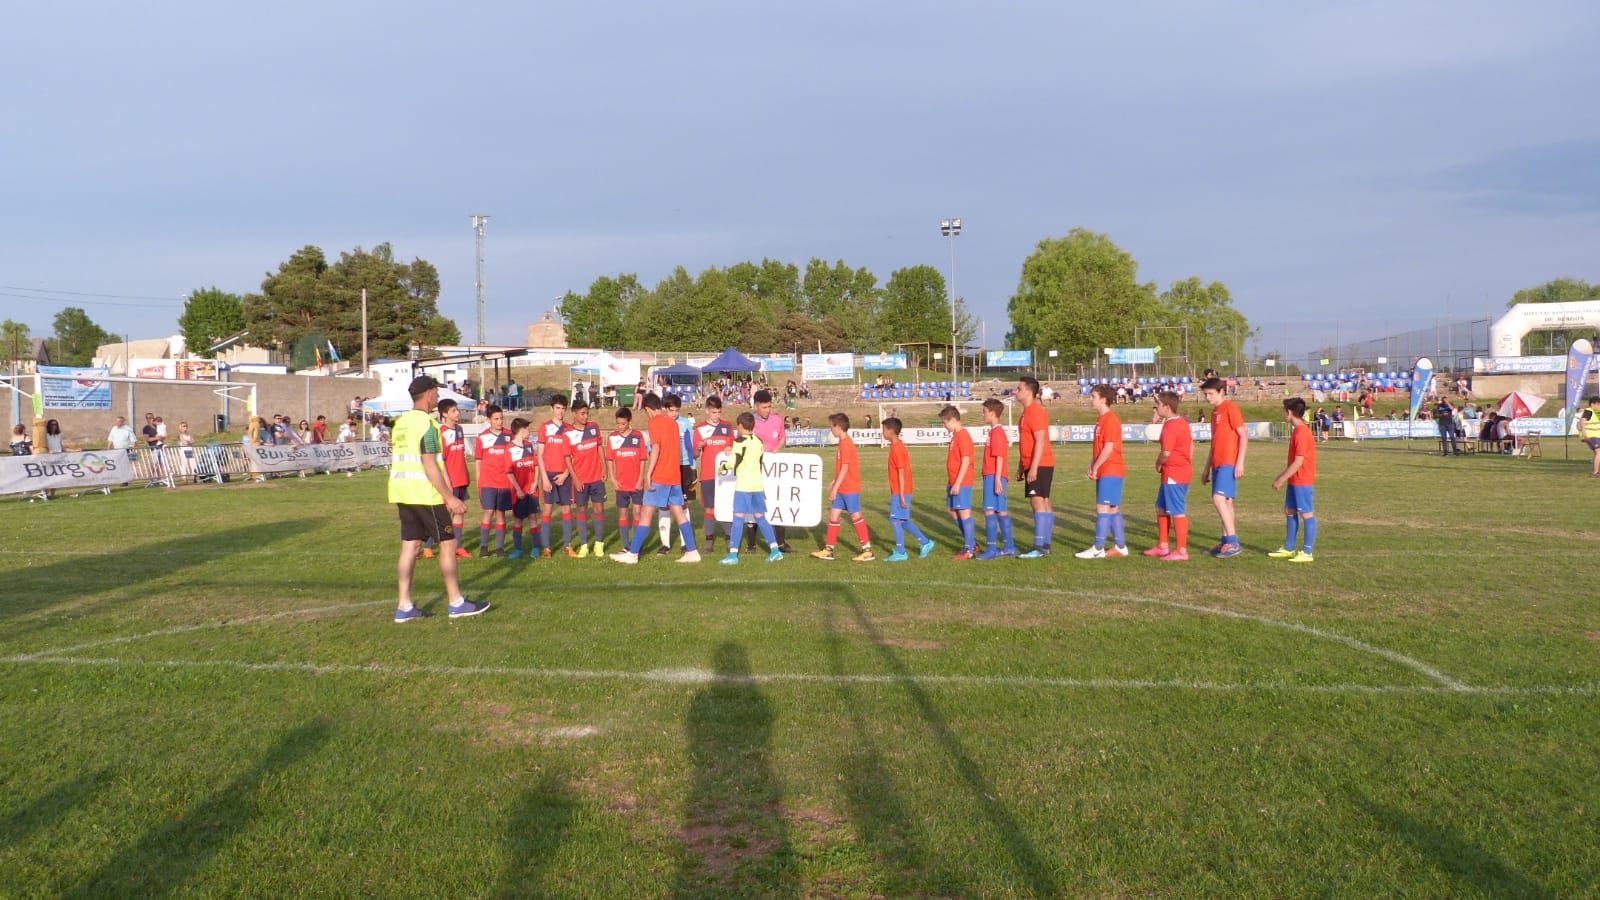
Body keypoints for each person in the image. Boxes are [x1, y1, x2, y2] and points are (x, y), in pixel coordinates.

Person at [389, 376, 487, 621]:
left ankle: (404, 605)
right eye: (435, 391)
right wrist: (450, 497)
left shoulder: (401, 423)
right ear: (429, 393)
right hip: (426, 494)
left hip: (402, 492)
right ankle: (456, 602)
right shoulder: (427, 425)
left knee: (410, 546)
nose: (437, 396)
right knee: (448, 543)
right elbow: (429, 463)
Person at [610, 393, 701, 564]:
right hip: (674, 476)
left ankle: (633, 554)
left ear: (647, 409)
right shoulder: (673, 423)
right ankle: (692, 551)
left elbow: (656, 448)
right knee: (679, 513)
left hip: (660, 475)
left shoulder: (654, 422)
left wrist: (649, 473)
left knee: (645, 514)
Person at [717, 412, 785, 565]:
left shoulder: (739, 442)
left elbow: (733, 462)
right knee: (761, 517)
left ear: (740, 426)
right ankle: (775, 551)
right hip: (757, 485)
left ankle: (733, 555)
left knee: (738, 519)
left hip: (744, 486)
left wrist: (722, 467)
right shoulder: (758, 441)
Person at [812, 413, 874, 561]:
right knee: (833, 515)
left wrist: (834, 488)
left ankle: (867, 550)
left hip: (850, 487)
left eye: (831, 426)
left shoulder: (846, 444)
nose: (830, 429)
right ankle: (829, 549)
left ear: (838, 427)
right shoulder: (842, 442)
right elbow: (842, 468)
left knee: (855, 516)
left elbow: (846, 469)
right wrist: (835, 481)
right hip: (841, 487)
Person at [1077, 384, 1130, 558]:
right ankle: (1121, 547)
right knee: (1113, 508)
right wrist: (1092, 464)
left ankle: (1098, 549)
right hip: (1107, 469)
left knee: (1103, 507)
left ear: (1103, 399)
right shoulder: (1101, 420)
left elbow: (1108, 448)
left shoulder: (1110, 419)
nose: (1090, 399)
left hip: (1112, 468)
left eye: (1093, 396)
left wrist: (1096, 466)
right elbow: (1100, 448)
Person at [1200, 376, 1248, 557]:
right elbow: (1214, 443)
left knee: (1218, 499)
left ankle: (1233, 542)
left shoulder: (1231, 408)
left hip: (1229, 462)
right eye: (1206, 394)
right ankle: (1225, 540)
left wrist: (1240, 462)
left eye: (1211, 394)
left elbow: (1243, 436)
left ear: (1221, 391)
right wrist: (1206, 468)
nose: (1208, 398)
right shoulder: (1214, 413)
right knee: (1226, 501)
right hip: (1217, 463)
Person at [1144, 391, 1193, 561]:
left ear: (1167, 406)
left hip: (1175, 473)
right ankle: (1163, 546)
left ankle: (1181, 550)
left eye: (1158, 404)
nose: (1156, 407)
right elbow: (1190, 445)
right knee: (1161, 507)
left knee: (1177, 510)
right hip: (1174, 472)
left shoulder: (1173, 425)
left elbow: (1166, 452)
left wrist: (1158, 463)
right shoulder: (1179, 423)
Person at [878, 417, 935, 562]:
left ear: (891, 431)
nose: (882, 432)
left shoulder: (897, 448)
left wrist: (902, 495)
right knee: (903, 520)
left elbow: (901, 472)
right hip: (900, 490)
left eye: (884, 429)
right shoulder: (896, 445)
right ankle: (925, 542)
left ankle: (901, 552)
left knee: (894, 520)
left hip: (900, 491)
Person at [1269, 398, 1318, 563]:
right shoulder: (1297, 431)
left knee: (1306, 513)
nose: (1283, 414)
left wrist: (1280, 478)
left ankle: (1307, 552)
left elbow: (1299, 461)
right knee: (1290, 511)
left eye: (1284, 411)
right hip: (1294, 480)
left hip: (1302, 479)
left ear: (1289, 413)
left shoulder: (1302, 432)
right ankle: (1289, 548)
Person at [423, 399, 473, 560]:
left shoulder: (459, 429)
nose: (457, 413)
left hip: (461, 479)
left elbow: (459, 455)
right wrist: (447, 482)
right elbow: (441, 460)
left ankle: (457, 547)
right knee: (444, 515)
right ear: (444, 414)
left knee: (459, 513)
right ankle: (427, 546)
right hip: (448, 481)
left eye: (457, 410)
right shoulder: (440, 432)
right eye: (453, 411)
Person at [1016, 376, 1055, 558]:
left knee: (1038, 502)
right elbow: (1027, 442)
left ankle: (1039, 546)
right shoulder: (1025, 413)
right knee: (1044, 502)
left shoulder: (1036, 412)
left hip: (1039, 464)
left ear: (1028, 391)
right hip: (1034, 463)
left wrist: (1033, 467)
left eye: (1019, 388)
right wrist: (1021, 465)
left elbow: (1040, 440)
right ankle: (1045, 545)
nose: (1016, 392)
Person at [750, 389, 793, 552]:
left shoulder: (777, 420)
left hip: (774, 469)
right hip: (755, 468)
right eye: (764, 407)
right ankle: (751, 544)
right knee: (755, 501)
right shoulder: (749, 421)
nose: (767, 410)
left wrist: (778, 447)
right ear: (755, 406)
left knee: (778, 500)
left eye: (769, 407)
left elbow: (782, 437)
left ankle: (781, 542)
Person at [692, 396, 736, 553]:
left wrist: (731, 448)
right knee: (709, 508)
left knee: (726, 507)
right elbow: (695, 455)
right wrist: (698, 447)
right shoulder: (699, 429)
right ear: (707, 411)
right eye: (714, 412)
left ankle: (730, 540)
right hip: (708, 475)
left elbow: (734, 446)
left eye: (719, 412)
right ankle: (709, 542)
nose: (717, 415)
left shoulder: (727, 426)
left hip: (726, 475)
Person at [976, 398, 1017, 559]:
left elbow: (999, 456)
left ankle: (992, 549)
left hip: (994, 475)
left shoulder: (997, 432)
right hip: (995, 475)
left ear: (992, 413)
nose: (983, 414)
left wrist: (998, 478)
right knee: (1001, 511)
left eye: (984, 411)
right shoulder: (994, 431)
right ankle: (1010, 547)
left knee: (989, 511)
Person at [537, 396, 577, 559]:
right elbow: (539, 455)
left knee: (567, 510)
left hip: (565, 474)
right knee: (547, 510)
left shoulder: (570, 429)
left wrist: (566, 474)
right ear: (551, 409)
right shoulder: (544, 428)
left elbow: (574, 455)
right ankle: (546, 548)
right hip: (549, 475)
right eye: (558, 408)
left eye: (563, 408)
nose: (561, 411)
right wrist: (545, 478)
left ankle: (568, 545)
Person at [568, 399, 608, 557]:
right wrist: (575, 478)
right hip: (581, 480)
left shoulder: (594, 427)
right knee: (582, 510)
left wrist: (603, 467)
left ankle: (599, 543)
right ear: (574, 414)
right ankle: (584, 544)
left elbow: (599, 447)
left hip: (597, 478)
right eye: (582, 414)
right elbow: (567, 459)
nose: (585, 417)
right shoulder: (569, 434)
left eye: (587, 413)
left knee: (599, 509)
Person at [606, 407, 648, 552]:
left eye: (623, 424)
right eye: (618, 423)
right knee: (623, 513)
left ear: (629, 422)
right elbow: (609, 460)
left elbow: (643, 459)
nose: (620, 427)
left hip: (636, 484)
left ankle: (637, 545)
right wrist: (613, 479)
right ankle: (625, 545)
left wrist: (640, 479)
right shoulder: (612, 437)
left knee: (637, 512)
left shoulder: (638, 436)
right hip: (621, 484)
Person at [475, 405, 513, 557]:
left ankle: (499, 547)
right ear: (488, 420)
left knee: (500, 513)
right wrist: (479, 483)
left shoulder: (509, 435)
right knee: (488, 512)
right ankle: (483, 546)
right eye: (496, 419)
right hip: (488, 482)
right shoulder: (482, 437)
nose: (499, 422)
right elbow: (478, 461)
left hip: (504, 483)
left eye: (501, 418)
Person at [941, 405, 978, 560]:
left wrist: (957, 483)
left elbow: (966, 460)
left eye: (945, 422)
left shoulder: (962, 435)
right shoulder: (955, 436)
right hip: (954, 481)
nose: (944, 426)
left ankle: (969, 549)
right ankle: (972, 543)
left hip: (962, 482)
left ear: (954, 420)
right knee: (952, 510)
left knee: (964, 512)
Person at [506, 417, 541, 559]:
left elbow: (536, 465)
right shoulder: (509, 449)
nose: (529, 430)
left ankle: (536, 548)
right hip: (519, 492)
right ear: (521, 430)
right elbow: (509, 472)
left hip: (532, 490)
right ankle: (518, 549)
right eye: (527, 428)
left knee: (533, 517)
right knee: (518, 520)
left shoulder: (528, 446)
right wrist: (518, 489)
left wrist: (535, 482)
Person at [1580, 396, 1600, 477]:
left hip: (1597, 436)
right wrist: (1584, 434)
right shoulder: (1589, 411)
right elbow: (1582, 422)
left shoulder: (1597, 412)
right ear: (1592, 404)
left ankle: (1597, 471)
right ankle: (1595, 473)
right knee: (1598, 451)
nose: (1599, 406)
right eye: (1598, 404)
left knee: (1598, 453)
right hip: (1590, 436)